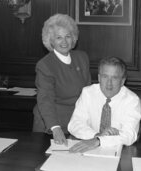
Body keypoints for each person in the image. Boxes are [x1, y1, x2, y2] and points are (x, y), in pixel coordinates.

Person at [33, 13, 91, 145]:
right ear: (51, 41)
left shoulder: (82, 58)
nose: (64, 42)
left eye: (68, 36)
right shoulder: (45, 65)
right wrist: (55, 127)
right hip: (51, 125)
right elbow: (45, 99)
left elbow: (88, 93)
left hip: (77, 124)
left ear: (74, 38)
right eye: (58, 37)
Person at [68, 57, 141, 153]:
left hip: (118, 152)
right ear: (99, 78)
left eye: (114, 78)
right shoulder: (88, 93)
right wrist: (96, 136)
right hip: (89, 150)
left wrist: (99, 141)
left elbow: (129, 135)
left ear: (123, 81)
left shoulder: (132, 100)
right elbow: (74, 124)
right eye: (105, 77)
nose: (109, 84)